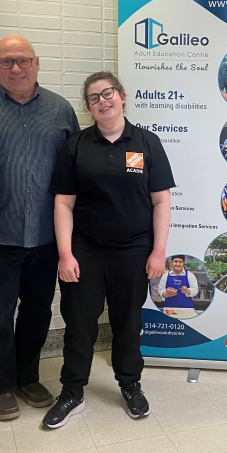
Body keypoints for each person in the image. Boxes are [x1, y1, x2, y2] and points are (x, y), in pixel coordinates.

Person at [43, 71, 174, 428]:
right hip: (85, 249)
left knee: (128, 322)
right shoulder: (76, 146)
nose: (103, 101)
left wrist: (158, 251)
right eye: (94, 98)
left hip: (133, 250)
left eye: (108, 93)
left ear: (122, 96)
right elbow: (63, 205)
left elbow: (161, 202)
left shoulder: (147, 143)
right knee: (80, 324)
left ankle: (130, 385)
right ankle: (72, 392)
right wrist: (66, 255)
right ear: (88, 107)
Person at [0, 35, 80, 420]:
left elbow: (74, 171)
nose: (16, 69)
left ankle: (27, 377)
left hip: (47, 238)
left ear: (37, 63)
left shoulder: (60, 109)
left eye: (23, 61)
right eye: (7, 62)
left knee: (38, 312)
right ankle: (0, 387)